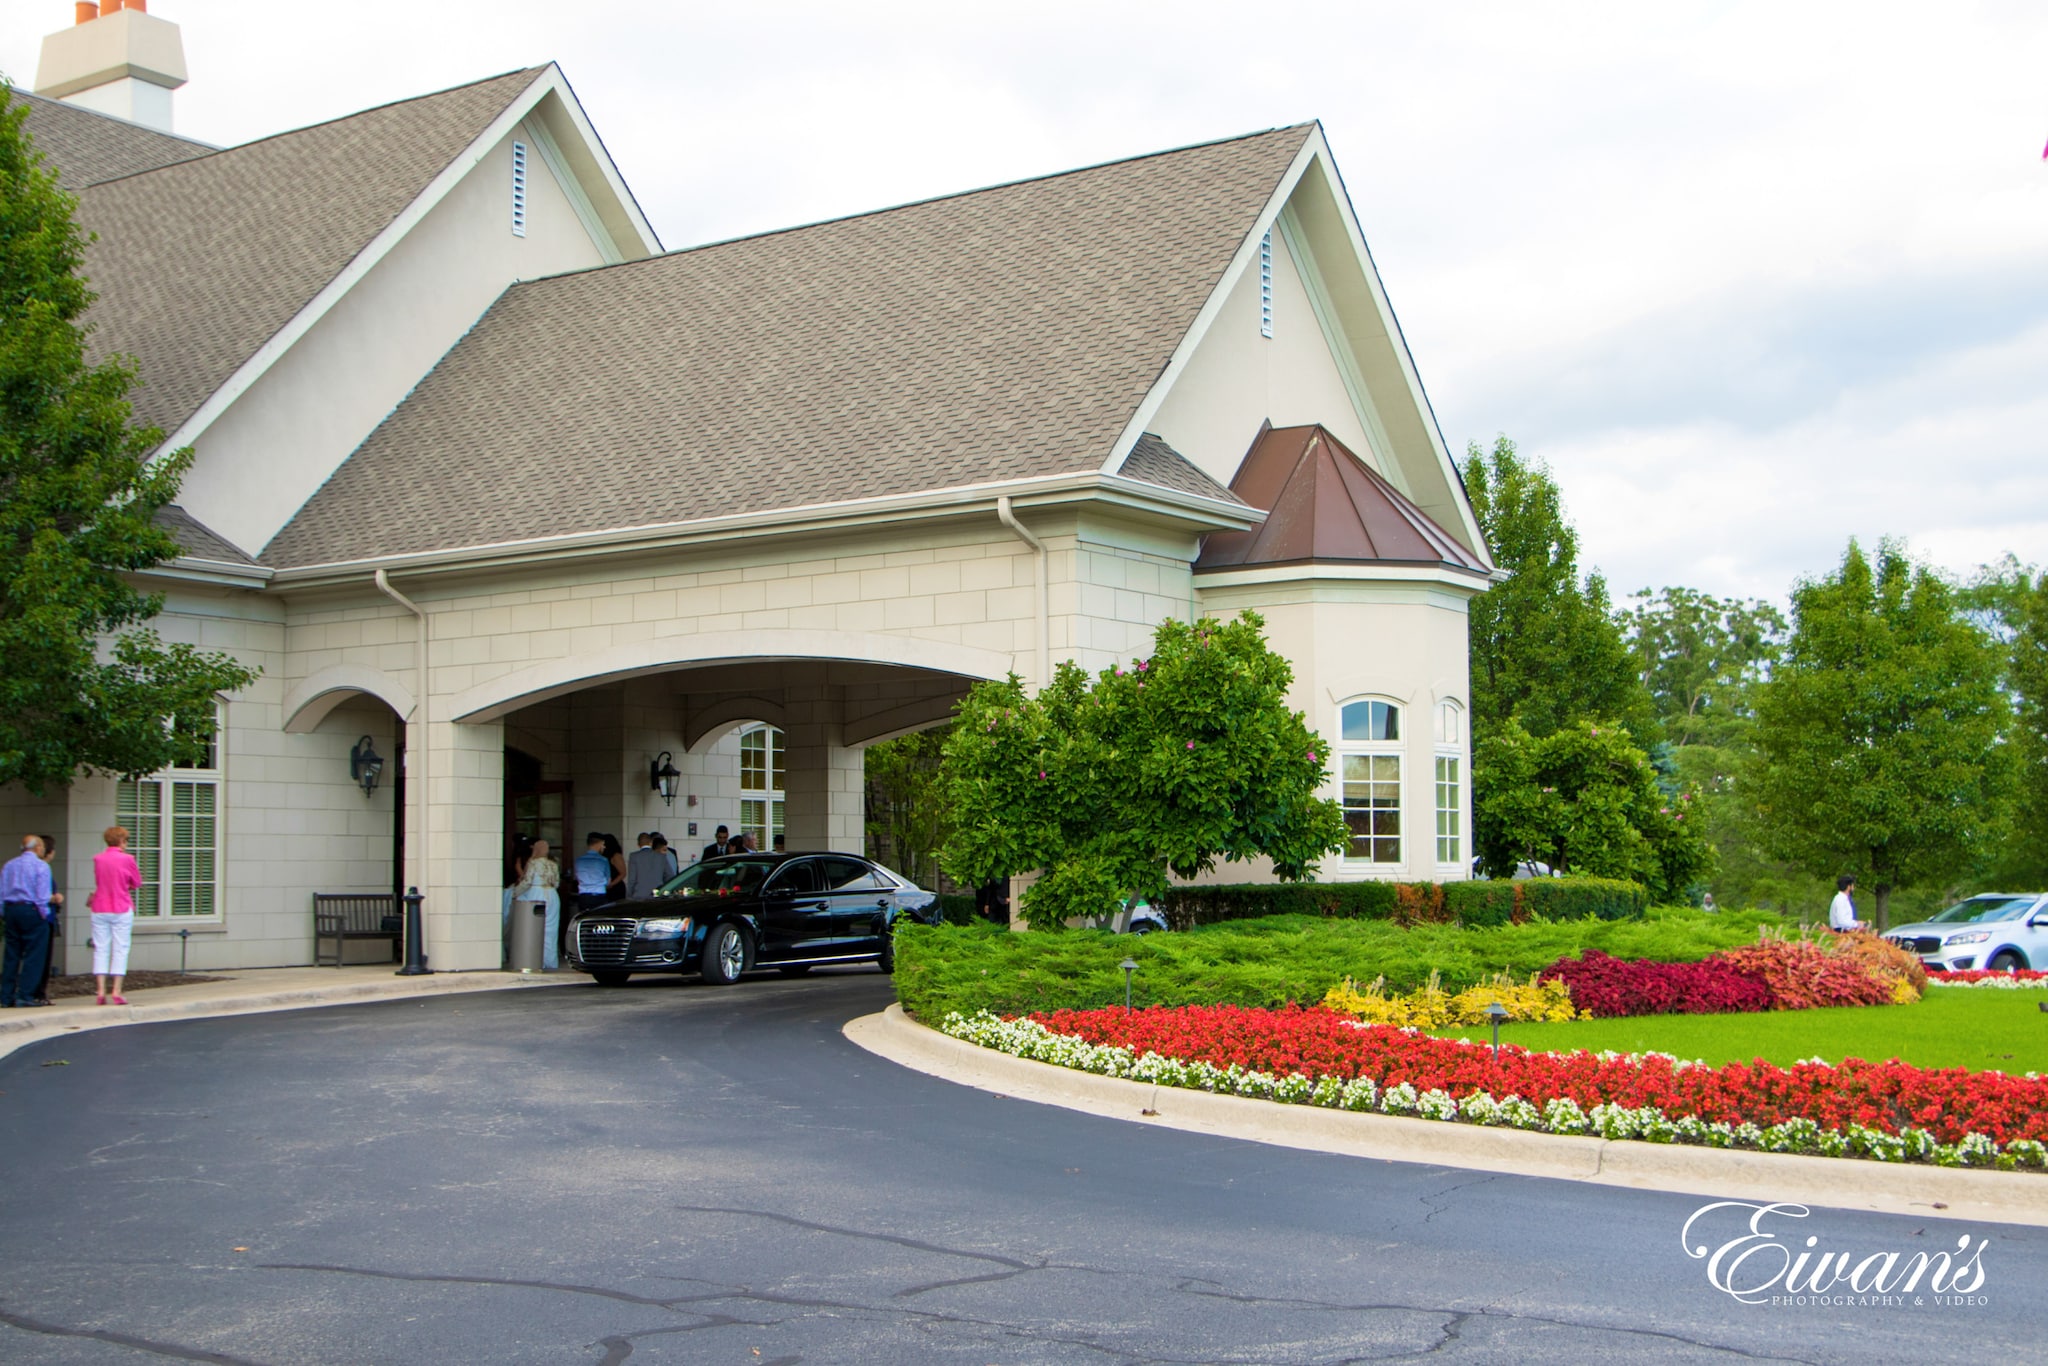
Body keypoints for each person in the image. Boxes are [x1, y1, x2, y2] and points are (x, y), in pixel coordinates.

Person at [88, 825, 143, 1005]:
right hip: (121, 905)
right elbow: (136, 882)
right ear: (121, 841)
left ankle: (101, 990)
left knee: (101, 948)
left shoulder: (98, 859)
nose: (127, 843)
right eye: (126, 840)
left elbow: (99, 881)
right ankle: (116, 990)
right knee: (121, 948)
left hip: (100, 906)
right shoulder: (127, 859)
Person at [0, 834, 55, 1008]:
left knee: (11, 954)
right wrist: (44, 915)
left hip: (11, 909)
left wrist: (3, 911)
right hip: (32, 909)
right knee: (34, 954)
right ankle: (25, 994)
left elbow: (1, 892)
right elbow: (41, 896)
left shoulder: (9, 865)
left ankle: (6, 996)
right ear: (38, 848)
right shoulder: (41, 866)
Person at [510, 839, 562, 970]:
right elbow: (556, 883)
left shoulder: (533, 863)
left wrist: (514, 893)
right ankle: (550, 961)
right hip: (552, 895)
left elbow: (527, 881)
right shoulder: (554, 864)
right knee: (551, 929)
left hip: (536, 893)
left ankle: (536, 960)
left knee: (535, 928)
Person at [29, 834, 64, 1006]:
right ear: (48, 852)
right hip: (43, 917)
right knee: (41, 957)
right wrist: (55, 898)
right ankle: (37, 992)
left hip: (29, 915)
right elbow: (41, 896)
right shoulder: (43, 869)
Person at [573, 833, 612, 913]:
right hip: (599, 895)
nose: (604, 847)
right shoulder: (603, 860)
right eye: (603, 844)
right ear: (599, 844)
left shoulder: (578, 861)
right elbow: (608, 881)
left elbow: (576, 877)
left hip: (583, 896)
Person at [625, 833, 670, 899]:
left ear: (638, 844)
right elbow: (670, 875)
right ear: (651, 843)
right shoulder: (661, 857)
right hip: (657, 894)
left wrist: (629, 895)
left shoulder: (634, 856)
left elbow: (632, 879)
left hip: (639, 895)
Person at [603, 834, 628, 901]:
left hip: (616, 887)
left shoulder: (616, 856)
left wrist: (612, 884)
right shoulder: (603, 856)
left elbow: (623, 873)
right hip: (606, 887)